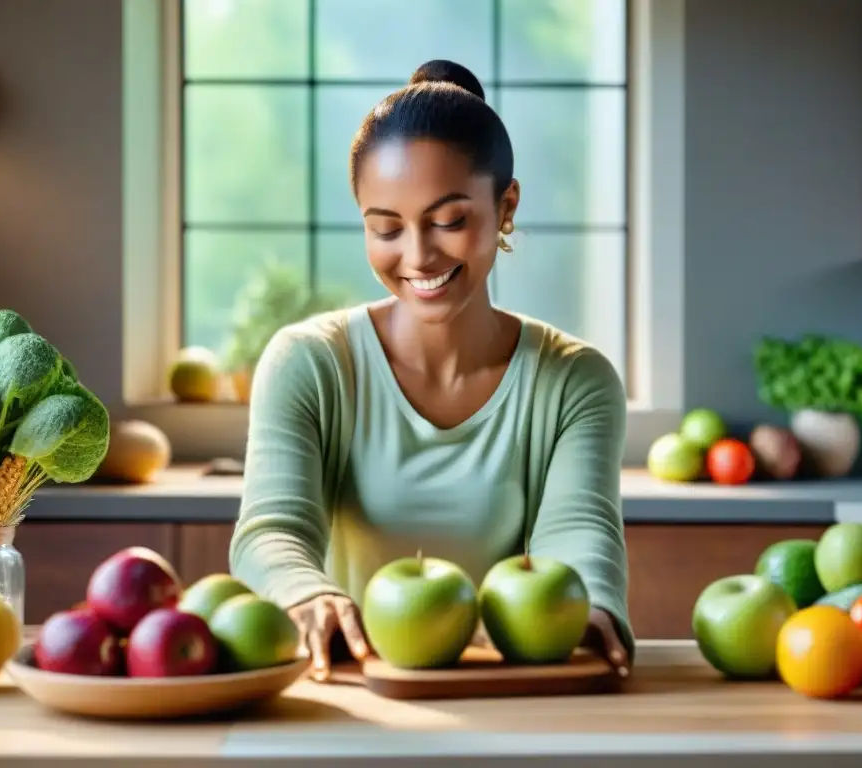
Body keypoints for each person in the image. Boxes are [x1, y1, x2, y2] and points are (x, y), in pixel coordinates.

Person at [229, 59, 633, 681]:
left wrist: (592, 604)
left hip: (507, 686)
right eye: (386, 228)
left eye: (448, 221)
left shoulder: (574, 381)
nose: (418, 256)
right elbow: (270, 531)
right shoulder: (310, 362)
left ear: (506, 206)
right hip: (348, 685)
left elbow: (578, 531)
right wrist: (304, 594)